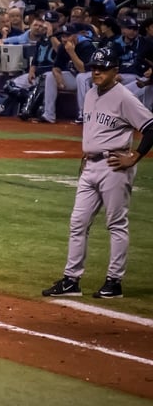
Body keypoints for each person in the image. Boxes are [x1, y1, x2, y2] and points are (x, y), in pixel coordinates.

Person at [42, 46, 153, 299]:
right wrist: (89, 152)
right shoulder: (91, 92)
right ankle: (71, 280)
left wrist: (135, 156)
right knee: (78, 223)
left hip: (114, 166)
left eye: (102, 68)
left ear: (115, 71)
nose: (96, 72)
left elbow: (150, 126)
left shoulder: (124, 97)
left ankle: (114, 282)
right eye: (94, 67)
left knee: (116, 224)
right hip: (90, 166)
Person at [34, 23, 95, 124]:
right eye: (63, 36)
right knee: (49, 76)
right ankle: (49, 114)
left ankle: (84, 114)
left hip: (91, 77)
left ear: (75, 35)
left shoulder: (86, 46)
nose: (64, 39)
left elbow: (83, 69)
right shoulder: (63, 47)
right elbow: (56, 67)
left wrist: (71, 52)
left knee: (81, 77)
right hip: (75, 77)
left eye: (67, 36)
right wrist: (57, 76)